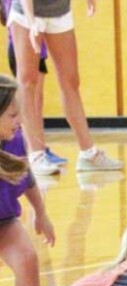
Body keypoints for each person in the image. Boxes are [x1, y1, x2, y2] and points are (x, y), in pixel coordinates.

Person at [8, 0, 123, 174]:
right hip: (27, 13)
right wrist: (32, 23)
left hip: (59, 11)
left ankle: (88, 154)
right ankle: (36, 155)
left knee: (71, 81)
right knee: (27, 82)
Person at [0, 74, 55, 286]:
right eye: (12, 114)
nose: (19, 120)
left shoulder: (16, 140)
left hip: (5, 220)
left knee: (27, 260)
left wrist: (41, 213)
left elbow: (27, 177)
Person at [2, 0, 67, 169]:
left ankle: (39, 148)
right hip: (21, 48)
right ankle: (32, 151)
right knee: (29, 99)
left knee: (37, 99)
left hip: (38, 49)